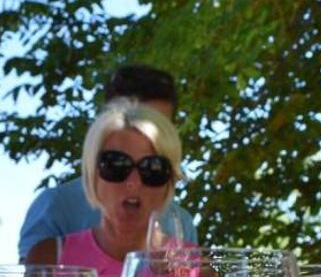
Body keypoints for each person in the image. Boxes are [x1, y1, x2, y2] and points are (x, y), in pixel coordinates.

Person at [17, 64, 197, 261]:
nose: (141, 133)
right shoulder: (56, 206)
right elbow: (34, 276)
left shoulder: (182, 222)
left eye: (159, 126)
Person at [25, 97, 185, 277]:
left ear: (170, 180)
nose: (133, 182)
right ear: (92, 174)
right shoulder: (48, 259)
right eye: (115, 165)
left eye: (153, 168)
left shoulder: (196, 270)